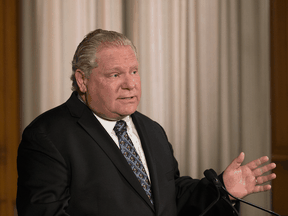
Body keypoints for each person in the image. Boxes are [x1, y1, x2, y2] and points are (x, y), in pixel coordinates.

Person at [16, 29, 276, 216]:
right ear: (82, 80)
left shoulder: (151, 130)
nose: (130, 84)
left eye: (134, 71)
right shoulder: (47, 136)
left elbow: (169, 197)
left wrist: (222, 189)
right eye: (115, 74)